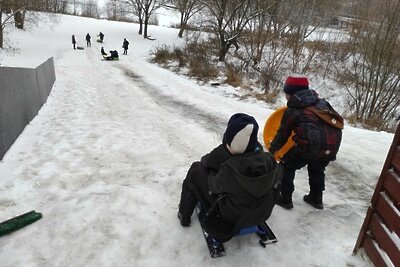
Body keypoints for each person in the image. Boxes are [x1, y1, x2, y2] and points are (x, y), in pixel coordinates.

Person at [177, 113, 282, 242]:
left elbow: (214, 186)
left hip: (233, 217)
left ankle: (184, 215)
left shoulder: (230, 168)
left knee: (195, 170)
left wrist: (211, 174)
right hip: (262, 212)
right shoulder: (270, 160)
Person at [269, 75, 342, 210]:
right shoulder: (323, 103)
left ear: (291, 93)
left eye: (286, 93)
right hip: (332, 146)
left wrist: (272, 150)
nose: (285, 97)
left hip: (309, 147)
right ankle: (316, 198)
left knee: (286, 165)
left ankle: (285, 198)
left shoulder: (293, 110)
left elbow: (283, 134)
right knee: (317, 168)